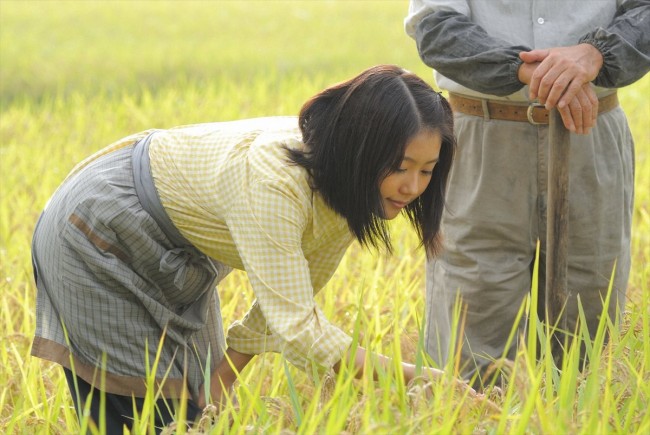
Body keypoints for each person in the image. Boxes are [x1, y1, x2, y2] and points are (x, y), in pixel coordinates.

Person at [30, 65, 461, 433]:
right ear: (361, 151)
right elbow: (298, 329)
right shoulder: (276, 180)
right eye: (400, 167)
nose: (413, 187)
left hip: (176, 254)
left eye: (427, 170)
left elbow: (289, 298)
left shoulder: (353, 185)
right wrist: (422, 379)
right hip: (98, 234)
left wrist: (222, 378)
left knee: (194, 409)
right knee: (141, 413)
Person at [405, 0, 650, 388]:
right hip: (482, 138)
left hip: (591, 131)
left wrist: (593, 55)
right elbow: (436, 29)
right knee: (470, 325)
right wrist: (541, 73)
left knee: (587, 328)